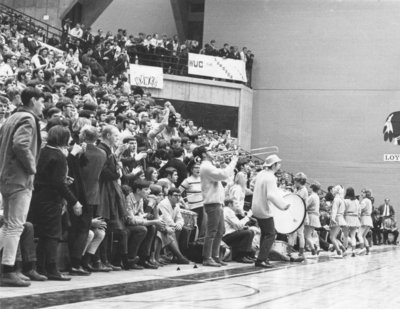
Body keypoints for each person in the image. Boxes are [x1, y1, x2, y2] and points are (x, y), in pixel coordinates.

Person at [0, 87, 44, 287]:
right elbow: (20, 144)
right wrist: (32, 168)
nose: (43, 105)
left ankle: (5, 266)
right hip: (19, 178)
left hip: (6, 176)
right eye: (42, 101)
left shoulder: (11, 118)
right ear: (33, 100)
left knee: (9, 225)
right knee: (15, 225)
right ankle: (8, 270)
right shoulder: (27, 118)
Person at [29, 125, 82, 281]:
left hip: (37, 197)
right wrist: (74, 202)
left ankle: (41, 267)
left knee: (44, 234)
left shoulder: (43, 151)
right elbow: (57, 183)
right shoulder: (59, 156)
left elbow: (46, 177)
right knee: (53, 234)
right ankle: (52, 268)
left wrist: (62, 180)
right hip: (51, 199)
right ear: (64, 139)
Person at [194, 146, 238, 267]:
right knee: (212, 231)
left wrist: (224, 164)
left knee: (220, 231)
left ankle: (215, 256)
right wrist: (234, 161)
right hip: (212, 203)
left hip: (217, 202)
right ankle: (207, 257)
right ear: (203, 154)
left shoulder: (209, 165)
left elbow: (225, 177)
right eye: (209, 151)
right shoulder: (206, 166)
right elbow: (223, 175)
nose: (212, 152)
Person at [251, 154, 290, 268]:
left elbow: (253, 184)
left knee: (265, 233)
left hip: (256, 207)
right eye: (278, 163)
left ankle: (263, 257)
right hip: (264, 209)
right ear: (274, 165)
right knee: (271, 234)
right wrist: (283, 205)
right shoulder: (271, 177)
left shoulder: (261, 173)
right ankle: (261, 259)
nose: (279, 165)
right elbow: (271, 195)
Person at [288, 172, 307, 259]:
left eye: (295, 181)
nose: (294, 183)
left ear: (299, 181)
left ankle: (301, 252)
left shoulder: (303, 190)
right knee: (293, 232)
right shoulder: (298, 189)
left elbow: (296, 200)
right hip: (297, 213)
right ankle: (290, 250)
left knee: (299, 233)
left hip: (300, 213)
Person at [329, 185, 347, 258]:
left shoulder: (336, 199)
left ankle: (338, 252)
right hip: (340, 218)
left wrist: (332, 218)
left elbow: (334, 210)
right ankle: (343, 249)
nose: (332, 191)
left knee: (332, 237)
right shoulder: (341, 199)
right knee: (335, 237)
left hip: (336, 218)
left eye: (334, 190)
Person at [305, 182, 322, 256]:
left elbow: (305, 205)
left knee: (307, 236)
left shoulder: (312, 196)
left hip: (311, 216)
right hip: (315, 216)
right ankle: (315, 246)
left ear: (312, 188)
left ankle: (313, 249)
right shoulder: (317, 196)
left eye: (309, 187)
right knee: (310, 234)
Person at [343, 187, 361, 257]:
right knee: (353, 235)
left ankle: (344, 250)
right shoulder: (356, 201)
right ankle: (353, 250)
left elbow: (343, 210)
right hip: (355, 218)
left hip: (347, 217)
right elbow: (359, 211)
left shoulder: (345, 200)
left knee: (345, 235)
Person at [359, 189, 373, 255]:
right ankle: (368, 250)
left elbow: (360, 209)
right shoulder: (369, 201)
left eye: (363, 193)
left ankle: (362, 248)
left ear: (366, 194)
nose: (361, 194)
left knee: (359, 235)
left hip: (364, 218)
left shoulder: (364, 201)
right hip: (369, 219)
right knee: (364, 236)